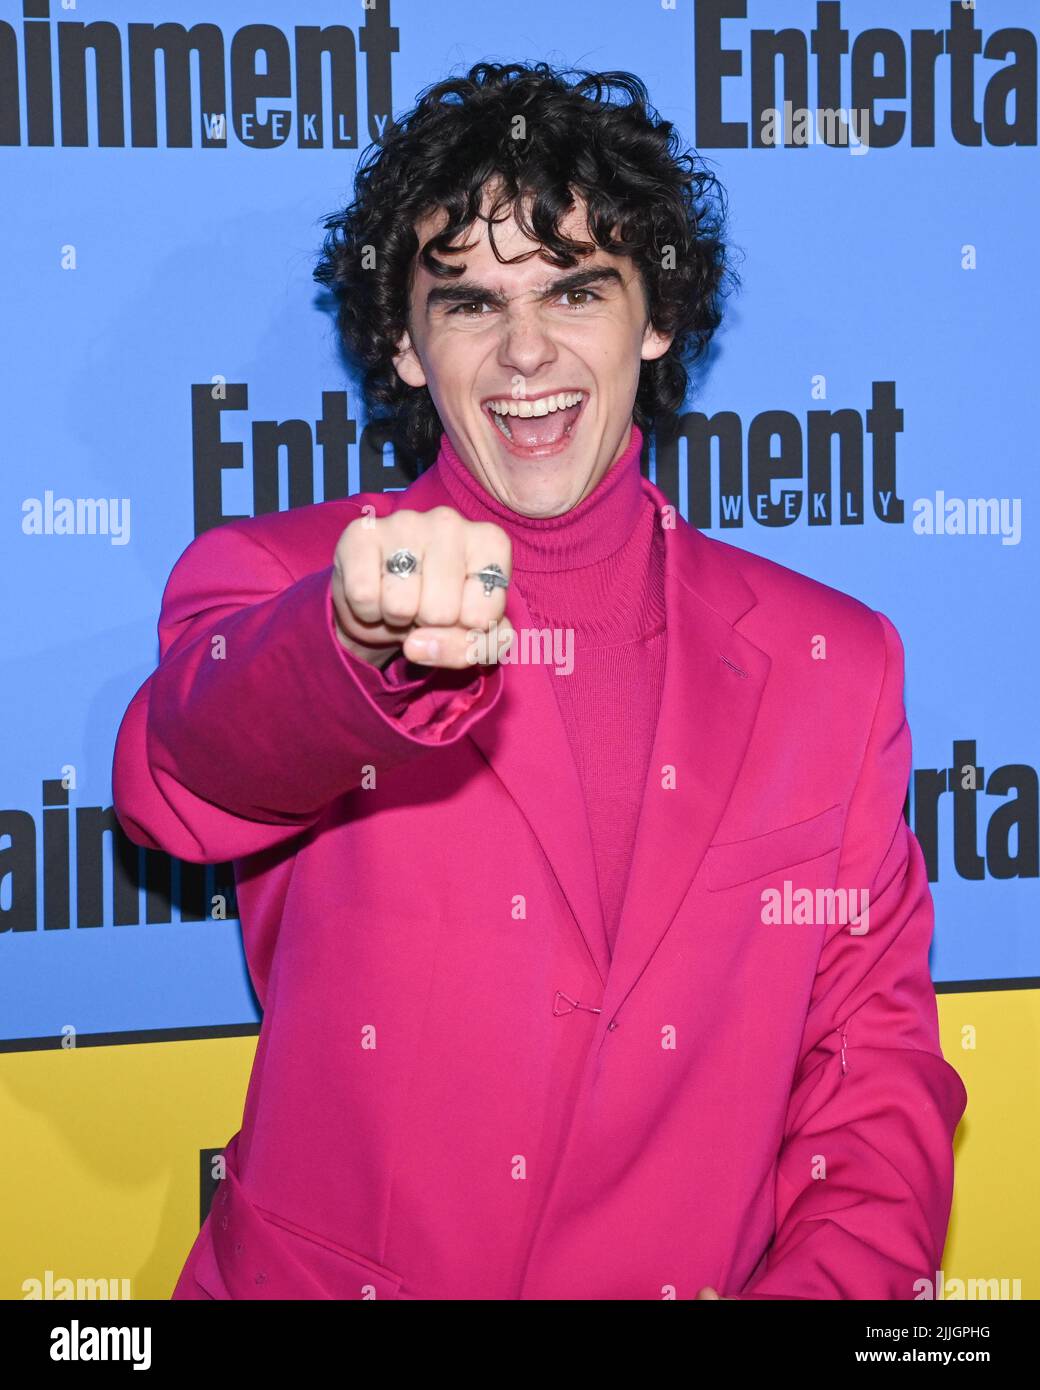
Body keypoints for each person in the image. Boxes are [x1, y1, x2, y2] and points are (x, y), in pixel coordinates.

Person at [112, 61, 967, 1300]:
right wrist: (353, 645)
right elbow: (173, 773)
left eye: (575, 289)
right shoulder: (276, 581)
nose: (524, 353)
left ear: (654, 318)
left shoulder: (830, 662)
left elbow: (869, 1076)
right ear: (405, 346)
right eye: (466, 303)